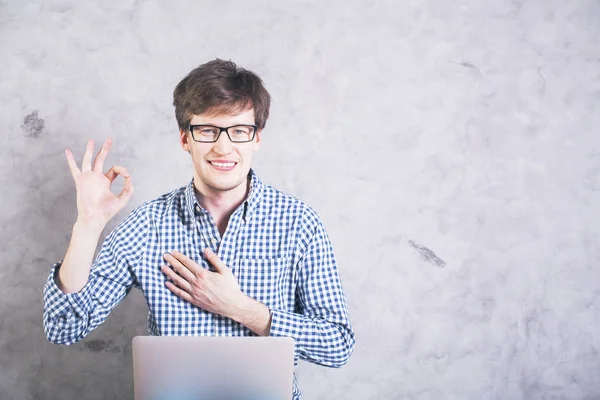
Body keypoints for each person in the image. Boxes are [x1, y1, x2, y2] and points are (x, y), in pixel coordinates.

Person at [43, 59, 355, 399]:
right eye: (207, 130)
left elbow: (336, 345)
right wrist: (87, 226)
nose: (223, 147)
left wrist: (240, 308)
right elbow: (63, 327)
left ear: (256, 139)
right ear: (185, 139)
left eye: (239, 131)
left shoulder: (298, 223)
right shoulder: (147, 226)